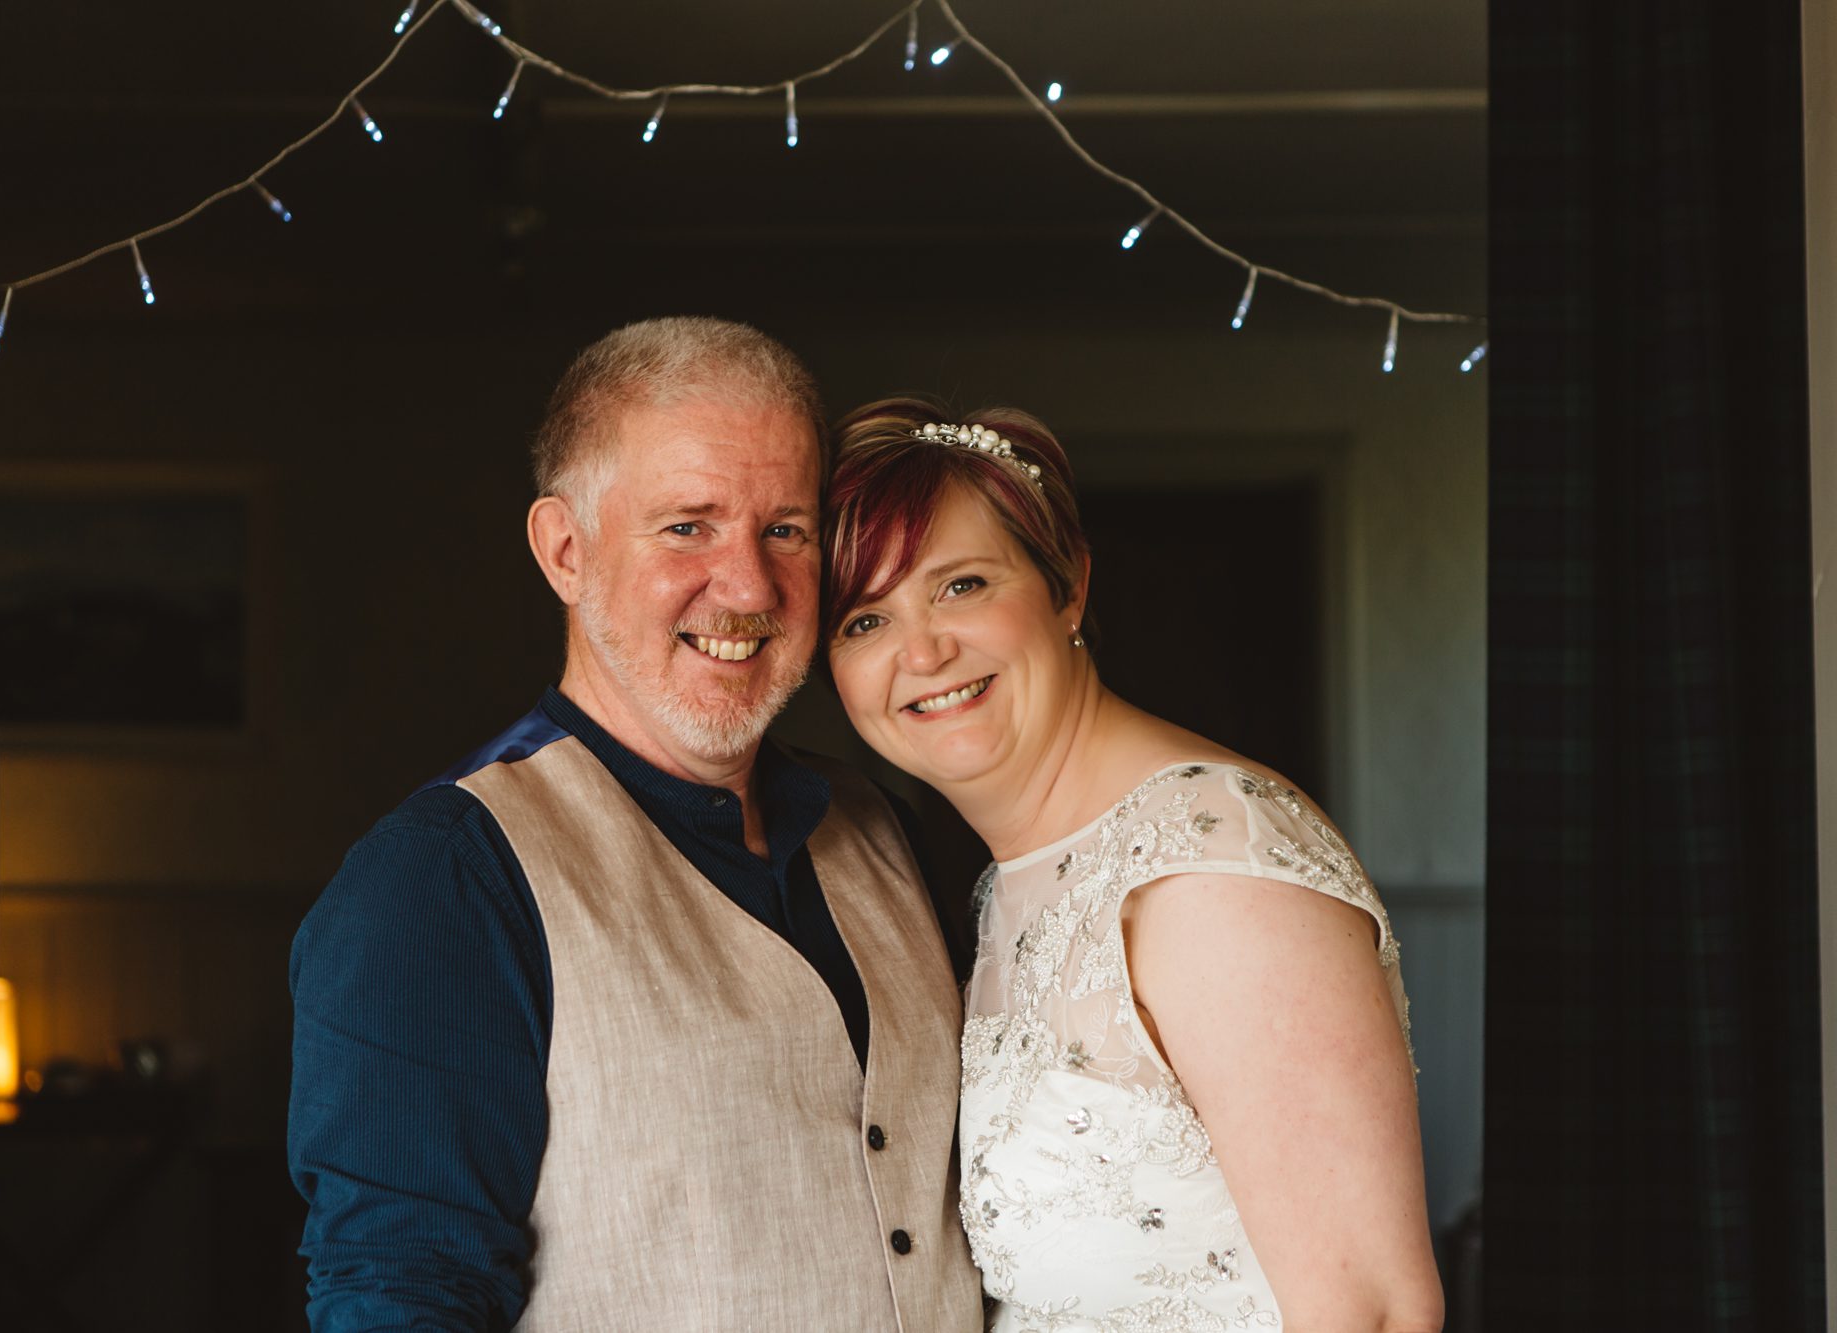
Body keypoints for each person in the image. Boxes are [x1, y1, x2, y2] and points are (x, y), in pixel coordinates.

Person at [287, 324, 982, 1332]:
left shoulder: (884, 826)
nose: (747, 588)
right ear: (565, 551)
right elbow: (401, 1298)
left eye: (784, 529)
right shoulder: (440, 879)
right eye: (687, 526)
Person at [821, 398, 1444, 1332]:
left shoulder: (1214, 861)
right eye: (865, 620)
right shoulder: (1010, 883)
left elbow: (1376, 1309)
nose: (923, 651)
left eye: (962, 586)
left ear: (1067, 583)